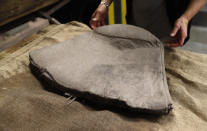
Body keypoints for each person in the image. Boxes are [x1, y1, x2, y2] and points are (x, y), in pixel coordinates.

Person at [90, 0, 207, 47]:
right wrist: (105, 3)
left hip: (168, 24)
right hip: (138, 14)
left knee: (162, 63)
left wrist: (186, 18)